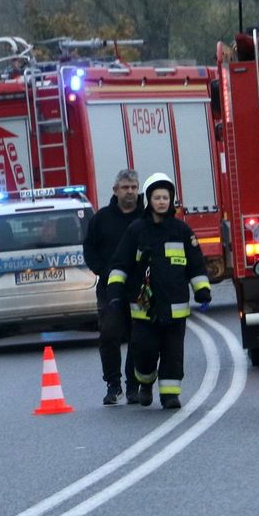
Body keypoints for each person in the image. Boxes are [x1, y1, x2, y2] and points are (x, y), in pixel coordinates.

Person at [105, 172, 211, 409]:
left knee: (173, 354)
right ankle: (145, 382)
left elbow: (196, 264)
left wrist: (202, 290)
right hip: (144, 309)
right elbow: (120, 264)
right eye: (157, 197)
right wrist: (114, 293)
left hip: (175, 308)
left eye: (165, 197)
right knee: (143, 351)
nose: (162, 201)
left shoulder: (182, 231)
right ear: (149, 200)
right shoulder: (136, 230)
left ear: (171, 200)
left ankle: (170, 395)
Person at [83, 169, 144, 405]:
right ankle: (113, 384)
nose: (130, 192)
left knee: (138, 337)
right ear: (115, 190)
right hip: (110, 290)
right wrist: (103, 271)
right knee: (109, 334)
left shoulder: (145, 219)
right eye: (125, 187)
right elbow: (89, 248)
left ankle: (133, 386)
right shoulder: (101, 219)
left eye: (134, 187)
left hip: (139, 289)